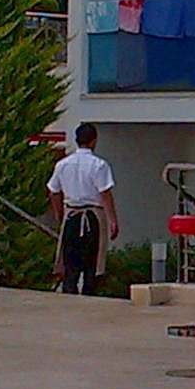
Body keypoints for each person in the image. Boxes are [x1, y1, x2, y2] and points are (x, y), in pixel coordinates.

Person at [47, 123, 120, 295]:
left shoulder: (63, 164)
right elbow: (105, 194)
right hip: (93, 215)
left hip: (71, 214)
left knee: (70, 262)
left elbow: (53, 191)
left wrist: (59, 214)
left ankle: (69, 294)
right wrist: (113, 220)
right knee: (92, 264)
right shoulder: (99, 165)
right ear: (94, 141)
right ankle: (89, 294)